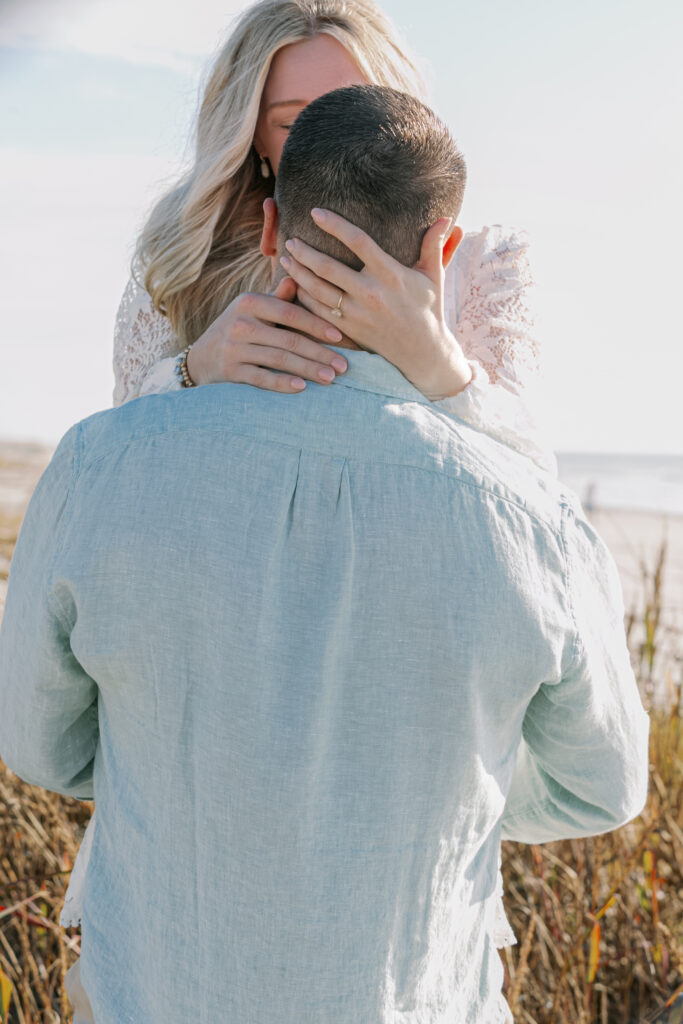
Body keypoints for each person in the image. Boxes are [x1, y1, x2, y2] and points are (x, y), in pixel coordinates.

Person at [0, 83, 649, 1024]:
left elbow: (38, 742)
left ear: (269, 230)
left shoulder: (103, 461)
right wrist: (431, 785)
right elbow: (602, 787)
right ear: (442, 251)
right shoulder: (531, 519)